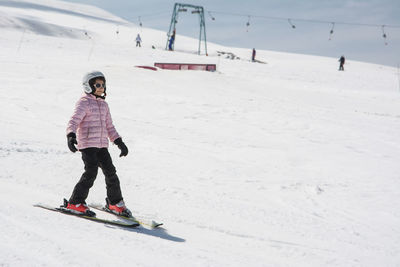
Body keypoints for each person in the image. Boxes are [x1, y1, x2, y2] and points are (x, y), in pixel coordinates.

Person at [64, 71, 131, 217]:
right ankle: (75, 202)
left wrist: (119, 142)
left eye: (103, 84)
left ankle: (115, 203)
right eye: (98, 85)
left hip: (102, 146)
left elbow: (109, 127)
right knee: (91, 172)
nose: (101, 87)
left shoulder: (104, 105)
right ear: (88, 86)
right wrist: (71, 135)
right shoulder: (84, 102)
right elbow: (74, 120)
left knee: (111, 173)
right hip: (88, 145)